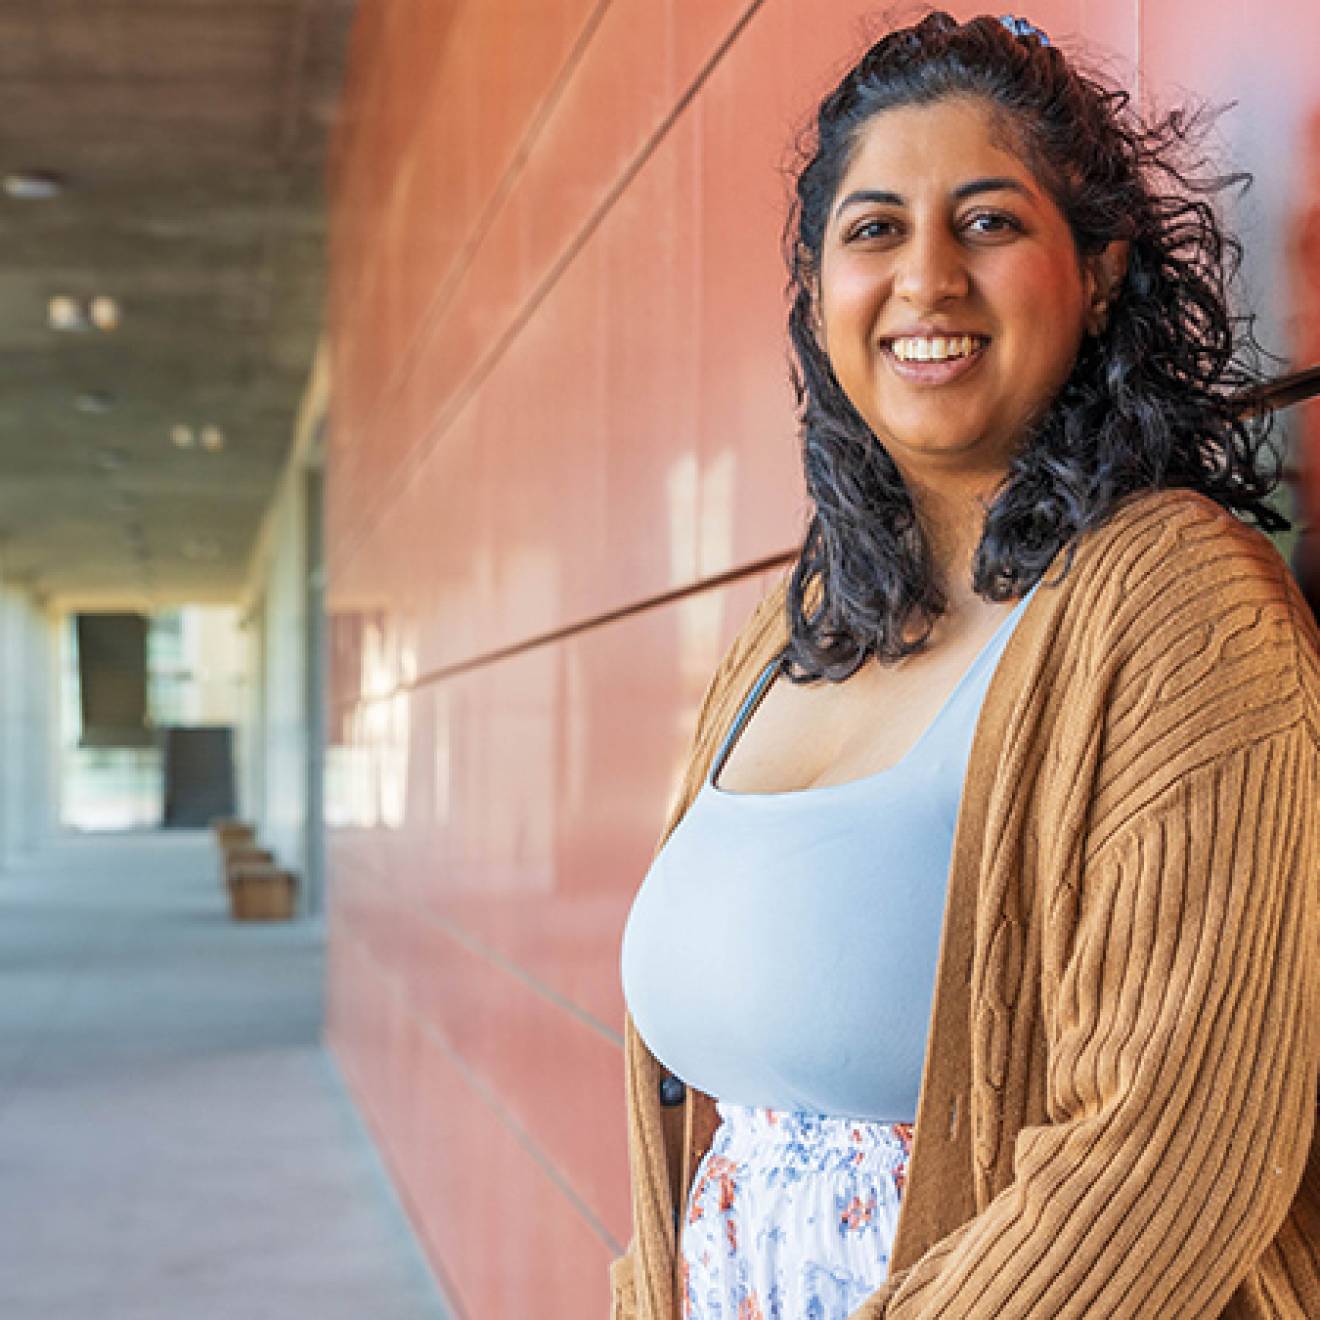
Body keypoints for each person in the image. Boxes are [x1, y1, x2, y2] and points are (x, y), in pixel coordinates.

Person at [614, 12, 1319, 1320]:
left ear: (1097, 272)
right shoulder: (784, 639)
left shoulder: (1177, 611)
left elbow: (1169, 1153)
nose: (927, 277)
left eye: (988, 223)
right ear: (821, 289)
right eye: (874, 229)